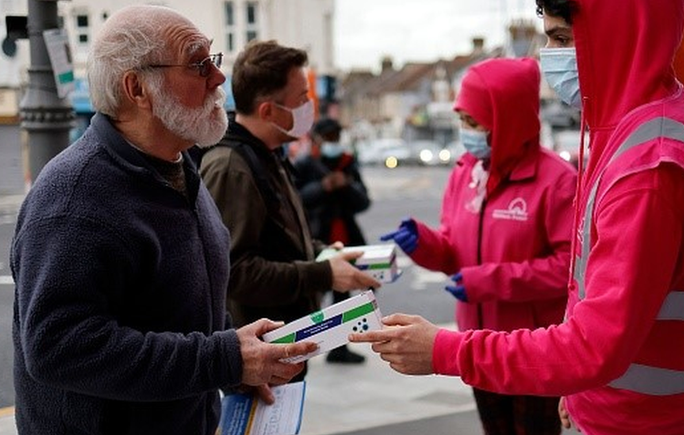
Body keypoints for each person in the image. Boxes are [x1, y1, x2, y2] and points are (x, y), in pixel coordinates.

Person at [352, 1, 684, 434]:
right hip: (625, 405)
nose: (547, 56)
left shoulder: (648, 167)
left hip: (652, 420)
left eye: (561, 38)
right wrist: (581, 395)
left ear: (619, 35)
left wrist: (447, 351)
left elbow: (594, 345)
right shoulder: (637, 129)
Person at [10, 6, 316, 435]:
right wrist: (224, 358)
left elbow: (182, 309)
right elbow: (58, 347)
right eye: (197, 64)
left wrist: (236, 368)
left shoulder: (179, 167)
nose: (218, 78)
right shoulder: (74, 195)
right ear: (137, 88)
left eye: (213, 60)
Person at [380, 57, 576, 435]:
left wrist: (488, 280)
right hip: (476, 341)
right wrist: (424, 244)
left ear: (507, 120)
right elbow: (455, 252)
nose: (464, 132)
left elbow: (569, 267)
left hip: (531, 346)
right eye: (462, 119)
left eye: (473, 122)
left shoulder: (557, 181)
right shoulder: (466, 172)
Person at [198, 40, 380, 379]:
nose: (309, 107)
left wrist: (324, 254)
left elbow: (280, 239)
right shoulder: (232, 167)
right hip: (257, 359)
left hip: (283, 347)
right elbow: (234, 272)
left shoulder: (269, 156)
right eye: (300, 99)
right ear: (268, 110)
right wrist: (323, 274)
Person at [294, 118, 372, 364]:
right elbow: (297, 199)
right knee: (313, 295)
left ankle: (339, 348)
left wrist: (346, 185)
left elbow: (363, 201)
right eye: (328, 138)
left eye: (336, 137)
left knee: (343, 295)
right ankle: (300, 345)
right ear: (317, 139)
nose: (333, 142)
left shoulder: (348, 163)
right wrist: (323, 187)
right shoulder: (306, 164)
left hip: (345, 236)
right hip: (318, 237)